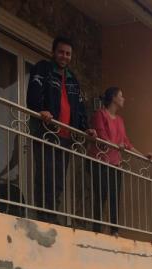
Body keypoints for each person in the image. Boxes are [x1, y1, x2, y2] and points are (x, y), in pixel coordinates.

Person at [26, 36, 96, 222]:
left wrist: (86, 128)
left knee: (58, 180)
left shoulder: (73, 80)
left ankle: (52, 213)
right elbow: (33, 94)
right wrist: (40, 109)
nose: (64, 56)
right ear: (53, 52)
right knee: (45, 175)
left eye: (68, 53)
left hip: (65, 136)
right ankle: (43, 215)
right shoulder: (43, 68)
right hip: (46, 131)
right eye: (61, 52)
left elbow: (79, 107)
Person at [90, 87, 152, 234]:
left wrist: (144, 156)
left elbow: (126, 143)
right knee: (101, 195)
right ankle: (97, 228)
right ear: (113, 98)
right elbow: (101, 135)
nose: (123, 99)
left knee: (114, 197)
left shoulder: (120, 120)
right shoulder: (100, 114)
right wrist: (117, 145)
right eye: (121, 96)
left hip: (115, 163)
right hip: (100, 160)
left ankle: (114, 230)